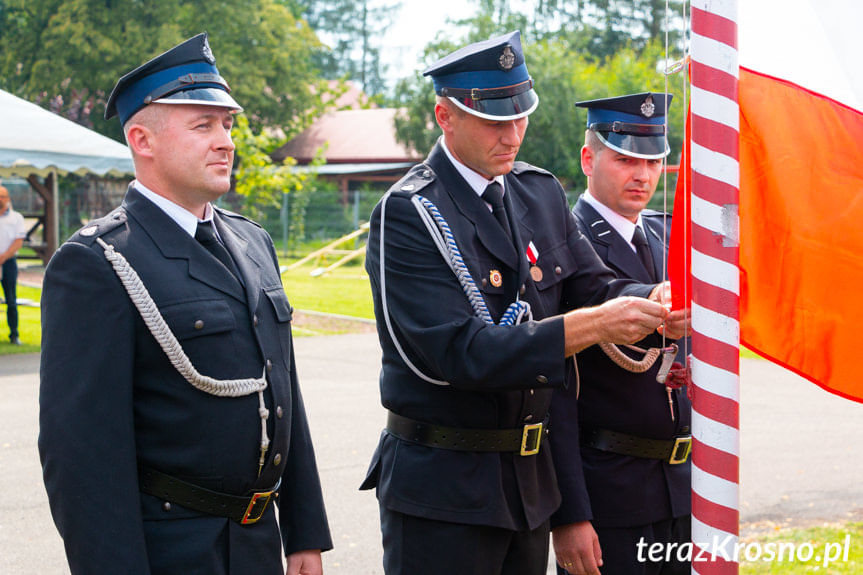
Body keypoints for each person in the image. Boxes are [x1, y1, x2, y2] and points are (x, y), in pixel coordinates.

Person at [361, 32, 680, 575]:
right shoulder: (411, 212)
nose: (512, 135)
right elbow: (462, 354)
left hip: (527, 487)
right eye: (494, 121)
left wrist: (650, 298)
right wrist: (593, 324)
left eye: (521, 116)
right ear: (445, 116)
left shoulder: (537, 191)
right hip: (445, 489)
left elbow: (593, 288)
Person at [38, 33, 332, 575]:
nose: (225, 141)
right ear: (142, 140)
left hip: (259, 546)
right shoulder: (97, 262)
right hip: (173, 553)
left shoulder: (253, 242)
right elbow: (81, 460)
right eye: (203, 126)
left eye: (227, 125)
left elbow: (284, 393)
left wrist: (305, 534)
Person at [550, 93, 692, 575]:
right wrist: (570, 512)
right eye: (626, 158)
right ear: (589, 158)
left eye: (653, 160)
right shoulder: (563, 240)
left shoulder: (668, 235)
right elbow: (555, 394)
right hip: (609, 491)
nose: (643, 175)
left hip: (680, 487)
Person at [0, 183, 26, 345]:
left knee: (11, 299)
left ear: (8, 199)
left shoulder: (16, 218)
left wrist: (4, 257)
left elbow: (19, 240)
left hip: (8, 262)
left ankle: (14, 334)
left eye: (2, 196)